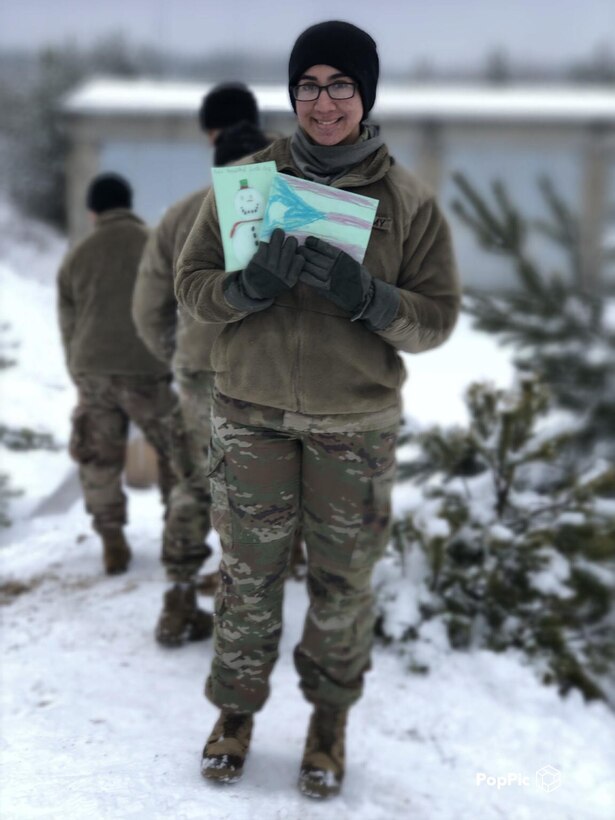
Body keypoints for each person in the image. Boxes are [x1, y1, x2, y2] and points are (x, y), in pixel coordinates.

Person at [175, 21, 460, 798]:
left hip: (352, 428)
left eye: (340, 85)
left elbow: (435, 318)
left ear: (365, 95)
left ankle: (328, 724)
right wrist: (245, 289)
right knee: (246, 576)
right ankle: (234, 715)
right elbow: (190, 289)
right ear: (291, 93)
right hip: (251, 414)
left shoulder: (406, 202)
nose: (322, 101)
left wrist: (370, 299)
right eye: (308, 85)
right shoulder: (247, 185)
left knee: (343, 583)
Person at [132, 84, 270, 648]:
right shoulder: (292, 201)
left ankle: (179, 599)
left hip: (199, 368)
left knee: (193, 482)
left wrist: (180, 353)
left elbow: (147, 309)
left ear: (213, 137)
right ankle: (252, 604)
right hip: (271, 371)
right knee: (268, 486)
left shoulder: (182, 213)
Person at [57, 173, 177, 575]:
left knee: (98, 457)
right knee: (173, 452)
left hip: (94, 368)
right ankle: (177, 534)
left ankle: (112, 541)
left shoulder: (78, 253)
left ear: (93, 211)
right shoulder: (155, 242)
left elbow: (68, 319)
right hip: (146, 367)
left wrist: (79, 369)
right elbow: (176, 305)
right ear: (128, 203)